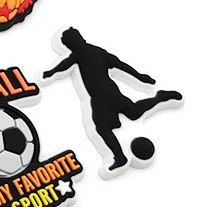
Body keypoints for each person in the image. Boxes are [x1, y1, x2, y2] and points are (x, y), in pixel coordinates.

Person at [44, 28, 182, 173]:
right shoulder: (96, 51)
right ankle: (160, 98)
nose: (69, 46)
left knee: (101, 127)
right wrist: (140, 77)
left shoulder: (79, 54)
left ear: (74, 42)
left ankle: (119, 157)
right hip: (111, 92)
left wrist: (49, 73)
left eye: (69, 43)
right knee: (133, 112)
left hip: (100, 98)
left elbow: (64, 65)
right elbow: (120, 64)